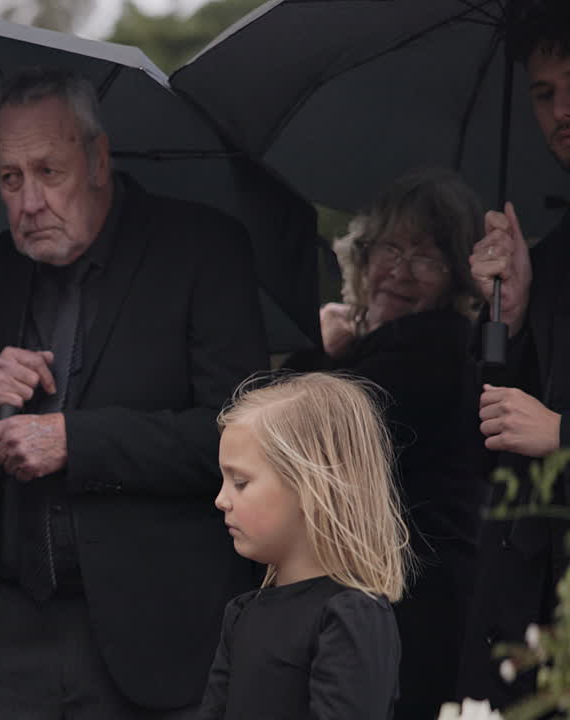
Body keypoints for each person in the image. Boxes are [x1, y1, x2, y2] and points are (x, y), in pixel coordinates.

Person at [0, 67, 267, 719]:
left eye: (48, 172)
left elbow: (238, 438)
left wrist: (75, 441)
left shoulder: (202, 249)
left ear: (97, 158)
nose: (29, 202)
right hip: (5, 632)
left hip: (155, 631)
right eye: (11, 179)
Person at [284, 169, 486, 717]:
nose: (399, 271)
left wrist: (324, 356)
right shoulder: (382, 348)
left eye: (425, 257)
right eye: (390, 248)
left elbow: (311, 430)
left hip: (411, 613)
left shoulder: (435, 351)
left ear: (456, 277)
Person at [461, 2, 570, 705]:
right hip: (540, 606)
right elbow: (500, 426)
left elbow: (546, 426)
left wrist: (563, 433)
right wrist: (515, 315)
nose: (563, 110)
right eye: (544, 93)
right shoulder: (552, 254)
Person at [197, 373, 407, 719]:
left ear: (311, 485)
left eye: (240, 482)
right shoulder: (242, 614)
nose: (221, 499)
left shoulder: (350, 615)